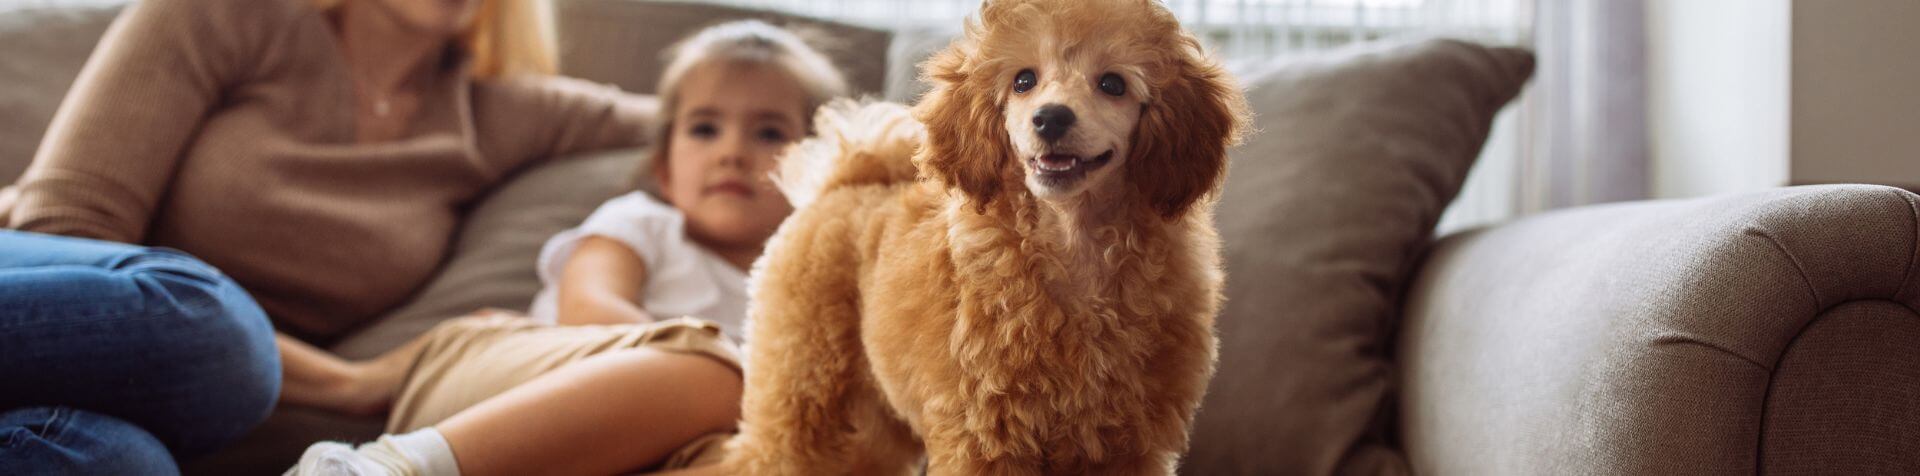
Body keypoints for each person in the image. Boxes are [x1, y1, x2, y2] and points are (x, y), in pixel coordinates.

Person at [0, 0, 656, 471]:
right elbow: (66, 225)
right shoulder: (226, 15)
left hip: (159, 403)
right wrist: (349, 383)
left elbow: (710, 117)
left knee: (122, 462)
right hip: (59, 291)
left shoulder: (499, 111)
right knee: (213, 325)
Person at [281, 21, 848, 475]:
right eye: (704, 129)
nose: (732, 151)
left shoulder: (802, 290)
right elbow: (590, 311)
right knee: (720, 376)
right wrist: (736, 376)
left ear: (819, 173)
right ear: (664, 171)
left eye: (769, 133)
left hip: (623, 446)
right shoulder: (641, 223)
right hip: (501, 383)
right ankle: (385, 468)